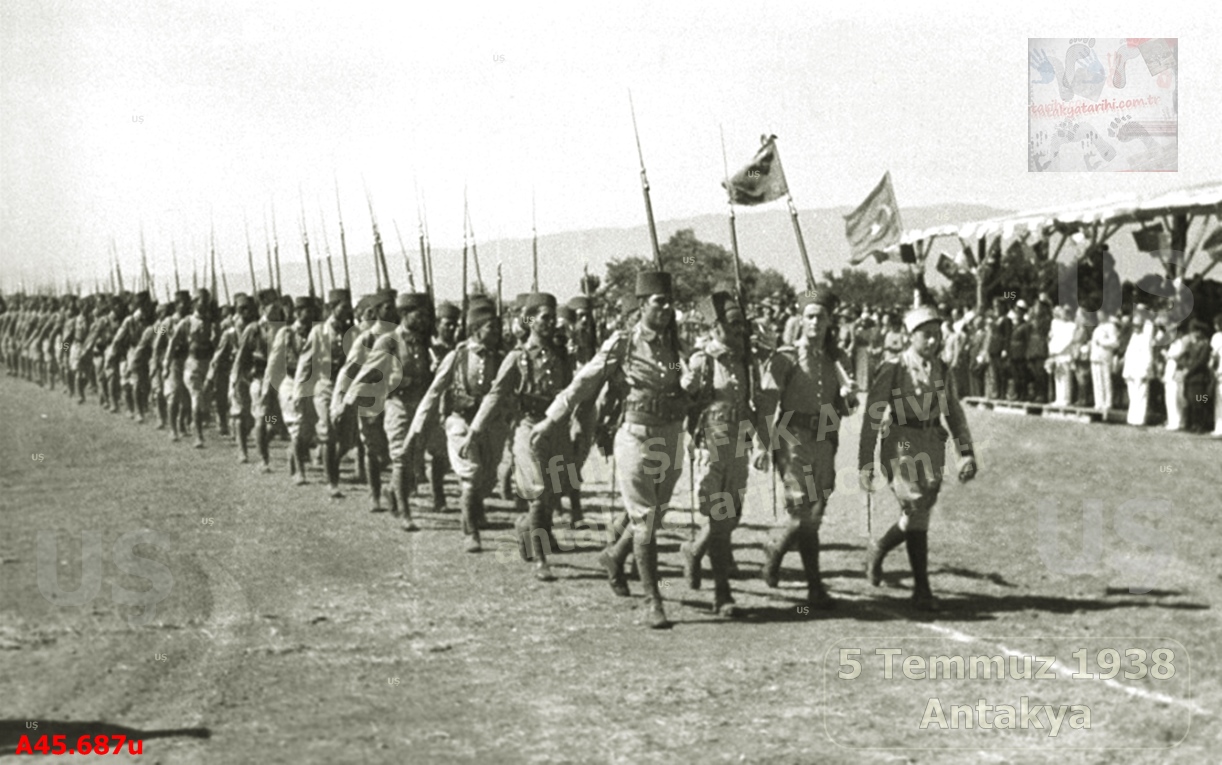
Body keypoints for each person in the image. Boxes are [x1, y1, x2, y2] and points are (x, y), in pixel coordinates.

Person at [533, 271, 690, 628]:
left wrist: (689, 382)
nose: (666, 308)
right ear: (642, 305)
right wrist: (551, 419)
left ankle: (614, 556)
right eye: (659, 302)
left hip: (670, 434)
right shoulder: (623, 343)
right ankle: (653, 601)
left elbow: (683, 383)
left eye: (670, 302)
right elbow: (584, 381)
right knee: (645, 521)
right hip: (635, 436)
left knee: (655, 514)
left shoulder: (674, 346)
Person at [859, 305, 978, 611]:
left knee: (919, 511)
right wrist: (865, 461)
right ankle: (922, 589)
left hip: (931, 442)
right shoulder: (894, 367)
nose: (933, 341)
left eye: (937, 335)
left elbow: (953, 411)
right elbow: (873, 415)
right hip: (901, 441)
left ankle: (878, 548)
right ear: (910, 336)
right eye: (926, 335)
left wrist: (965, 453)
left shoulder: (942, 369)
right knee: (915, 507)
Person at [757, 288, 857, 610]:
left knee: (814, 514)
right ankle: (811, 583)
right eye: (810, 316)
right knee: (802, 512)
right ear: (800, 320)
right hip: (792, 437)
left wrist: (849, 398)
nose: (815, 322)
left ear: (829, 322)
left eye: (821, 317)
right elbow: (767, 403)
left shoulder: (837, 360)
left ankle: (780, 552)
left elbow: (844, 408)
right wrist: (763, 443)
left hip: (825, 437)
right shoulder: (786, 357)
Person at [468, 293, 573, 580]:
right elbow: (495, 394)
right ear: (530, 321)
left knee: (553, 492)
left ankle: (526, 528)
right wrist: (475, 430)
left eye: (553, 318)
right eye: (545, 318)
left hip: (555, 428)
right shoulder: (517, 357)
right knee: (537, 493)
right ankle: (541, 559)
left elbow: (571, 391)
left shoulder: (561, 354)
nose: (550, 323)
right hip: (527, 428)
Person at [678, 290, 766, 617]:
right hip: (711, 443)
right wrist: (685, 385)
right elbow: (686, 399)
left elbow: (751, 404)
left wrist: (762, 442)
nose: (739, 330)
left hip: (739, 441)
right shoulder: (704, 360)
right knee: (718, 515)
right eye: (732, 324)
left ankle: (694, 550)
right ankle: (722, 593)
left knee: (731, 515)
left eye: (742, 324)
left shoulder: (745, 360)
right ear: (716, 327)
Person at [407, 298, 505, 552]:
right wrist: (417, 426)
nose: (496, 332)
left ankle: (475, 507)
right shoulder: (457, 356)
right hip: (459, 421)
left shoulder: (500, 357)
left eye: (497, 327)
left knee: (487, 478)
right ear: (476, 329)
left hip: (489, 425)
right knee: (471, 476)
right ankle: (470, 532)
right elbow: (434, 390)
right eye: (491, 327)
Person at [1121, 306, 1156, 426]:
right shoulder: (1133, 337)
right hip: (1131, 369)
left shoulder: (1146, 336)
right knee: (1132, 395)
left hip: (1141, 369)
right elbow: (1128, 355)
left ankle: (1139, 419)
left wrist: (1146, 370)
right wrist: (1126, 371)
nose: (1135, 327)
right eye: (1134, 325)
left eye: (1137, 325)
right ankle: (1132, 418)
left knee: (1141, 394)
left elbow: (1148, 354)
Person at [1089, 311, 1121, 412]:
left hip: (1105, 357)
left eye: (1101, 314)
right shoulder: (1097, 328)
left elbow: (1115, 342)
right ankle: (1099, 402)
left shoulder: (1111, 327)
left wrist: (1103, 343)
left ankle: (1108, 402)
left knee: (1106, 380)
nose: (1099, 316)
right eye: (1098, 315)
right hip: (1095, 357)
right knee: (1097, 381)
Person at [1211, 315, 1222, 438]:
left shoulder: (1217, 337)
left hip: (1220, 372)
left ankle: (1219, 428)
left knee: (1219, 401)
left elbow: (1214, 355)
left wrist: (1212, 368)